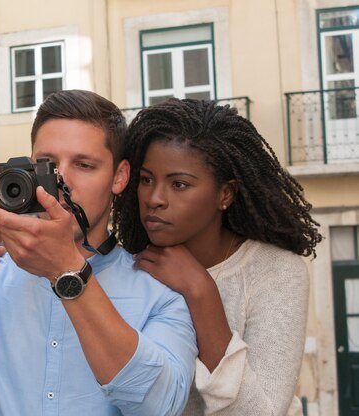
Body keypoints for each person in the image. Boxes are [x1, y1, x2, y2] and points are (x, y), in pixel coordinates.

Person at [0, 90, 198, 415]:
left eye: (85, 165)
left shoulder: (161, 292)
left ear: (119, 176)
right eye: (47, 165)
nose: (61, 182)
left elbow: (163, 406)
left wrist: (68, 272)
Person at [112, 98, 322, 415]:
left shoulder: (276, 272)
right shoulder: (127, 267)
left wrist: (201, 292)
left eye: (179, 184)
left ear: (225, 194)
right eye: (146, 179)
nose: (154, 199)